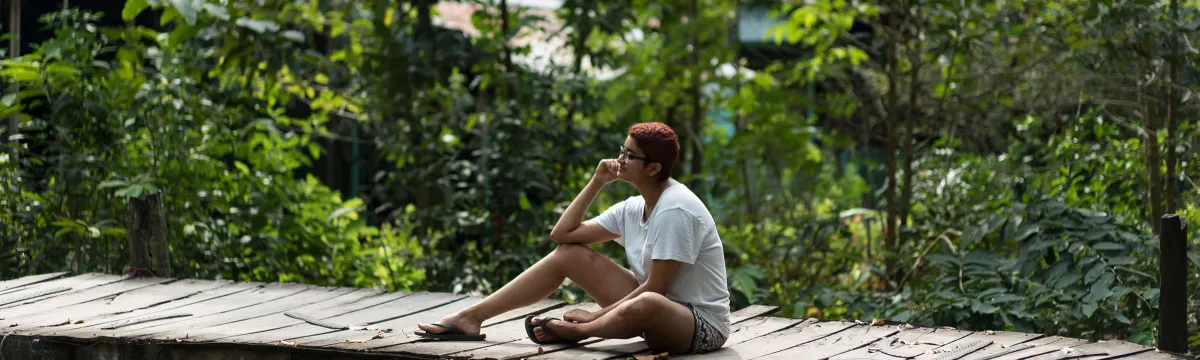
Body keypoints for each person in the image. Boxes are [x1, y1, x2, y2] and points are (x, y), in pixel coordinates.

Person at [415, 122, 730, 354]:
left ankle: (579, 333)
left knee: (648, 299)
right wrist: (597, 182)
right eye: (622, 150)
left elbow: (656, 289)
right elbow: (562, 235)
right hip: (651, 312)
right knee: (570, 254)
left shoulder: (675, 209)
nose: (620, 159)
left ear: (653, 169)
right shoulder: (635, 207)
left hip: (699, 326)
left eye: (630, 155)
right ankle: (471, 317)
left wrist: (593, 317)